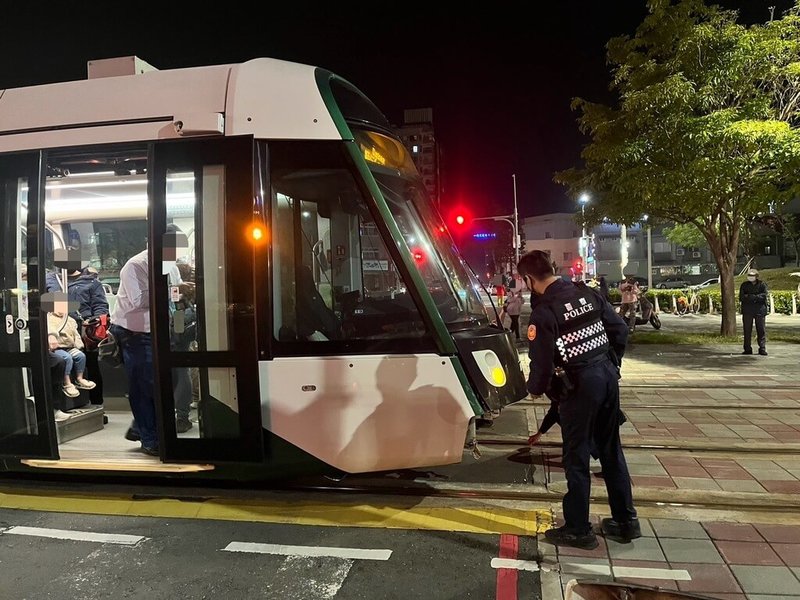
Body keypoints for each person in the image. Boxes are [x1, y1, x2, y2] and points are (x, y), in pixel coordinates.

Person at [517, 249, 638, 549]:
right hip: (608, 379)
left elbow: (542, 365)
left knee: (577, 458)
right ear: (554, 268)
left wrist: (534, 389)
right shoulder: (589, 294)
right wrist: (612, 364)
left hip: (579, 389)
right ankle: (625, 522)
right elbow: (619, 330)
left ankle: (578, 529)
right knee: (611, 451)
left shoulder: (545, 312)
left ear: (529, 279)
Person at [111, 247, 159, 456]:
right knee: (143, 386)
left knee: (158, 383)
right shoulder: (135, 266)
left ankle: (141, 427)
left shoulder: (167, 265)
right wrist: (167, 290)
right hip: (134, 333)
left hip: (157, 331)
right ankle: (149, 439)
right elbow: (138, 300)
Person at [46, 263, 110, 405]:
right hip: (56, 328)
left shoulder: (91, 281)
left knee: (90, 365)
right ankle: (61, 405)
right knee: (59, 364)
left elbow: (100, 305)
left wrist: (94, 322)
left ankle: (96, 404)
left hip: (84, 329)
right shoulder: (50, 279)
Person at [47, 311, 96, 398]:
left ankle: (79, 378)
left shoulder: (70, 320)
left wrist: (79, 344)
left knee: (81, 356)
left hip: (69, 347)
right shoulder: (49, 319)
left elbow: (75, 334)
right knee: (67, 358)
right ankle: (66, 382)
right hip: (58, 348)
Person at [739, 268, 768, 356]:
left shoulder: (762, 284)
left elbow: (764, 296)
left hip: (760, 310)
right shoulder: (744, 285)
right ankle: (747, 348)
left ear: (756, 276)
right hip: (747, 310)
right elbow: (742, 297)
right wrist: (755, 297)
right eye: (749, 275)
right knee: (747, 330)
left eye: (752, 275)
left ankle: (762, 348)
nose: (750, 277)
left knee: (761, 330)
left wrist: (751, 297)